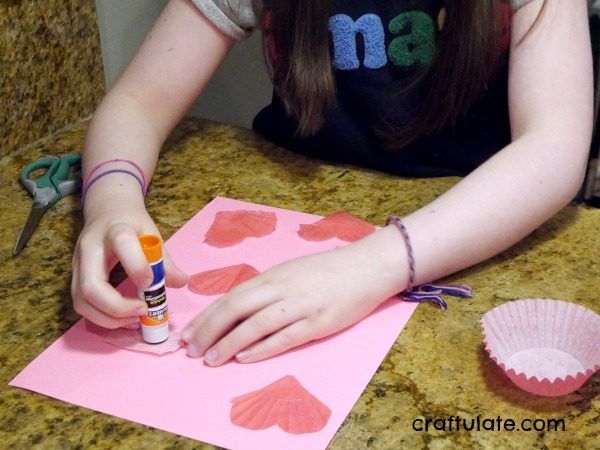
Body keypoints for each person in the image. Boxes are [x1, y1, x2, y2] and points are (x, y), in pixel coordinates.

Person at [72, 0, 592, 367]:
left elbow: (552, 146)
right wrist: (111, 202)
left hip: (478, 216)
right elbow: (139, 102)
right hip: (296, 199)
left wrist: (375, 263)